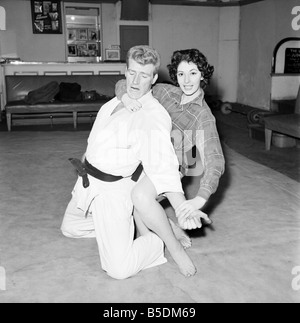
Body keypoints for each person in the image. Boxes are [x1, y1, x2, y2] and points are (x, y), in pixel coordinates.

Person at [61, 46, 209, 280]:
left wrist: (182, 208)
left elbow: (163, 166)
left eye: (144, 75)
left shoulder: (152, 116)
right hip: (89, 183)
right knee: (69, 228)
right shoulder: (118, 100)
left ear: (154, 78)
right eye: (132, 73)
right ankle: (128, 222)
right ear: (126, 71)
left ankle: (158, 241)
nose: (136, 81)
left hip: (112, 192)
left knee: (118, 270)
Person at [115, 48, 225, 245]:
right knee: (122, 199)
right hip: (147, 154)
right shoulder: (165, 92)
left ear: (203, 76)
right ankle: (163, 229)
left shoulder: (203, 116)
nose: (187, 80)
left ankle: (162, 239)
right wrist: (126, 98)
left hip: (176, 164)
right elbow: (125, 84)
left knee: (140, 199)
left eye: (193, 73)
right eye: (181, 74)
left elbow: (215, 160)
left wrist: (200, 199)